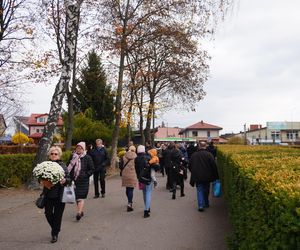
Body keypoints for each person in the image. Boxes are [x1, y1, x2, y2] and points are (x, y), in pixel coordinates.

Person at [43, 146, 70, 243]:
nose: (54, 155)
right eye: (52, 154)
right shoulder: (45, 165)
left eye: (56, 154)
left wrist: (65, 180)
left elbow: (69, 178)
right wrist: (42, 181)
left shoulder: (62, 165)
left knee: (58, 215)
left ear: (59, 155)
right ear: (49, 155)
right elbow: (39, 177)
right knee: (48, 214)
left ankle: (55, 234)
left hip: (60, 194)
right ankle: (56, 228)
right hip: (48, 194)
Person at [68, 142, 94, 220]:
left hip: (83, 181)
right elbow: (68, 167)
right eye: (77, 148)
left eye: (80, 148)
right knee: (76, 197)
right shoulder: (72, 156)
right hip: (74, 180)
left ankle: (78, 213)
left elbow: (92, 169)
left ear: (83, 149)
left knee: (81, 197)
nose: (78, 149)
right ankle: (81, 210)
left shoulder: (87, 158)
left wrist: (86, 175)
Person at [190, 141, 219, 212]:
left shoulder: (194, 155)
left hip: (197, 176)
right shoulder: (209, 155)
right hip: (207, 176)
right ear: (205, 146)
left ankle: (200, 205)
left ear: (199, 146)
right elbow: (214, 166)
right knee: (206, 190)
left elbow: (190, 166)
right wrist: (216, 176)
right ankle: (206, 203)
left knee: (199, 190)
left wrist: (193, 172)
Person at [135, 145, 152, 218]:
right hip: (148, 178)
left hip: (140, 178)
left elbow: (136, 170)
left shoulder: (136, 159)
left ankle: (147, 207)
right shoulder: (148, 158)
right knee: (148, 193)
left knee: (144, 193)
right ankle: (146, 210)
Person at [121, 145, 137, 212]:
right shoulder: (135, 157)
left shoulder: (124, 156)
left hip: (125, 174)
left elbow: (120, 165)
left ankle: (129, 201)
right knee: (131, 189)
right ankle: (129, 203)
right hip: (132, 174)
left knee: (127, 188)